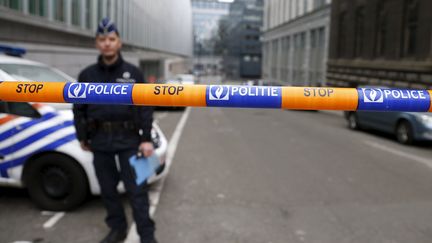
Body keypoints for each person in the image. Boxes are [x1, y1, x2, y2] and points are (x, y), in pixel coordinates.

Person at [73, 18, 157, 243]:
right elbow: (78, 109)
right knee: (108, 192)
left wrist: (146, 139)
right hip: (100, 141)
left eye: (111, 39)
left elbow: (144, 108)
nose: (107, 43)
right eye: (102, 39)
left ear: (119, 43)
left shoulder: (134, 73)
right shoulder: (87, 75)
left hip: (129, 141)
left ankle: (147, 236)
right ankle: (117, 229)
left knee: (137, 192)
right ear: (96, 44)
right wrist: (82, 135)